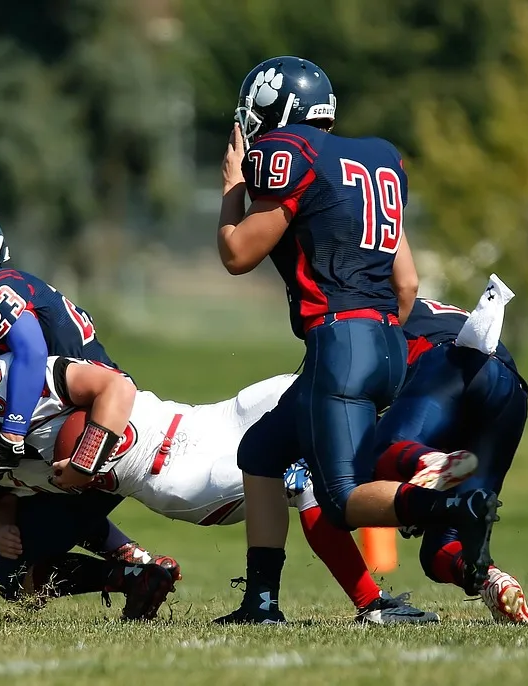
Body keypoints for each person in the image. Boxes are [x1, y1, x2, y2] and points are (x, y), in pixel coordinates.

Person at [214, 55, 499, 624]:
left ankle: (451, 502)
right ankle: (261, 602)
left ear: (275, 110)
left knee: (343, 499)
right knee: (262, 453)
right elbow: (408, 283)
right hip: (387, 343)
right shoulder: (377, 159)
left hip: (341, 343)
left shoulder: (287, 155)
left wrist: (233, 190)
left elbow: (237, 253)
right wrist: (371, 338)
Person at [0, 354, 440, 624]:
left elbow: (115, 387)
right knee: (305, 482)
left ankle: (440, 445)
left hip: (209, 419)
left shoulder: (10, 384)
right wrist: (1, 533)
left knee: (344, 382)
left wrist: (84, 458)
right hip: (182, 476)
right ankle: (379, 592)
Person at [0, 206, 173, 572]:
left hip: (88, 417)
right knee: (7, 560)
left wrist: (12, 430)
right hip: (57, 415)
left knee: (25, 475)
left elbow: (33, 351)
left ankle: (134, 560)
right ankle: (136, 569)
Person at [374, 297, 528, 624]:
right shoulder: (425, 306)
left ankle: (430, 464)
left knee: (379, 453)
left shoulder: (377, 309)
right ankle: (489, 579)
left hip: (447, 367)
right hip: (508, 388)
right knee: (438, 553)